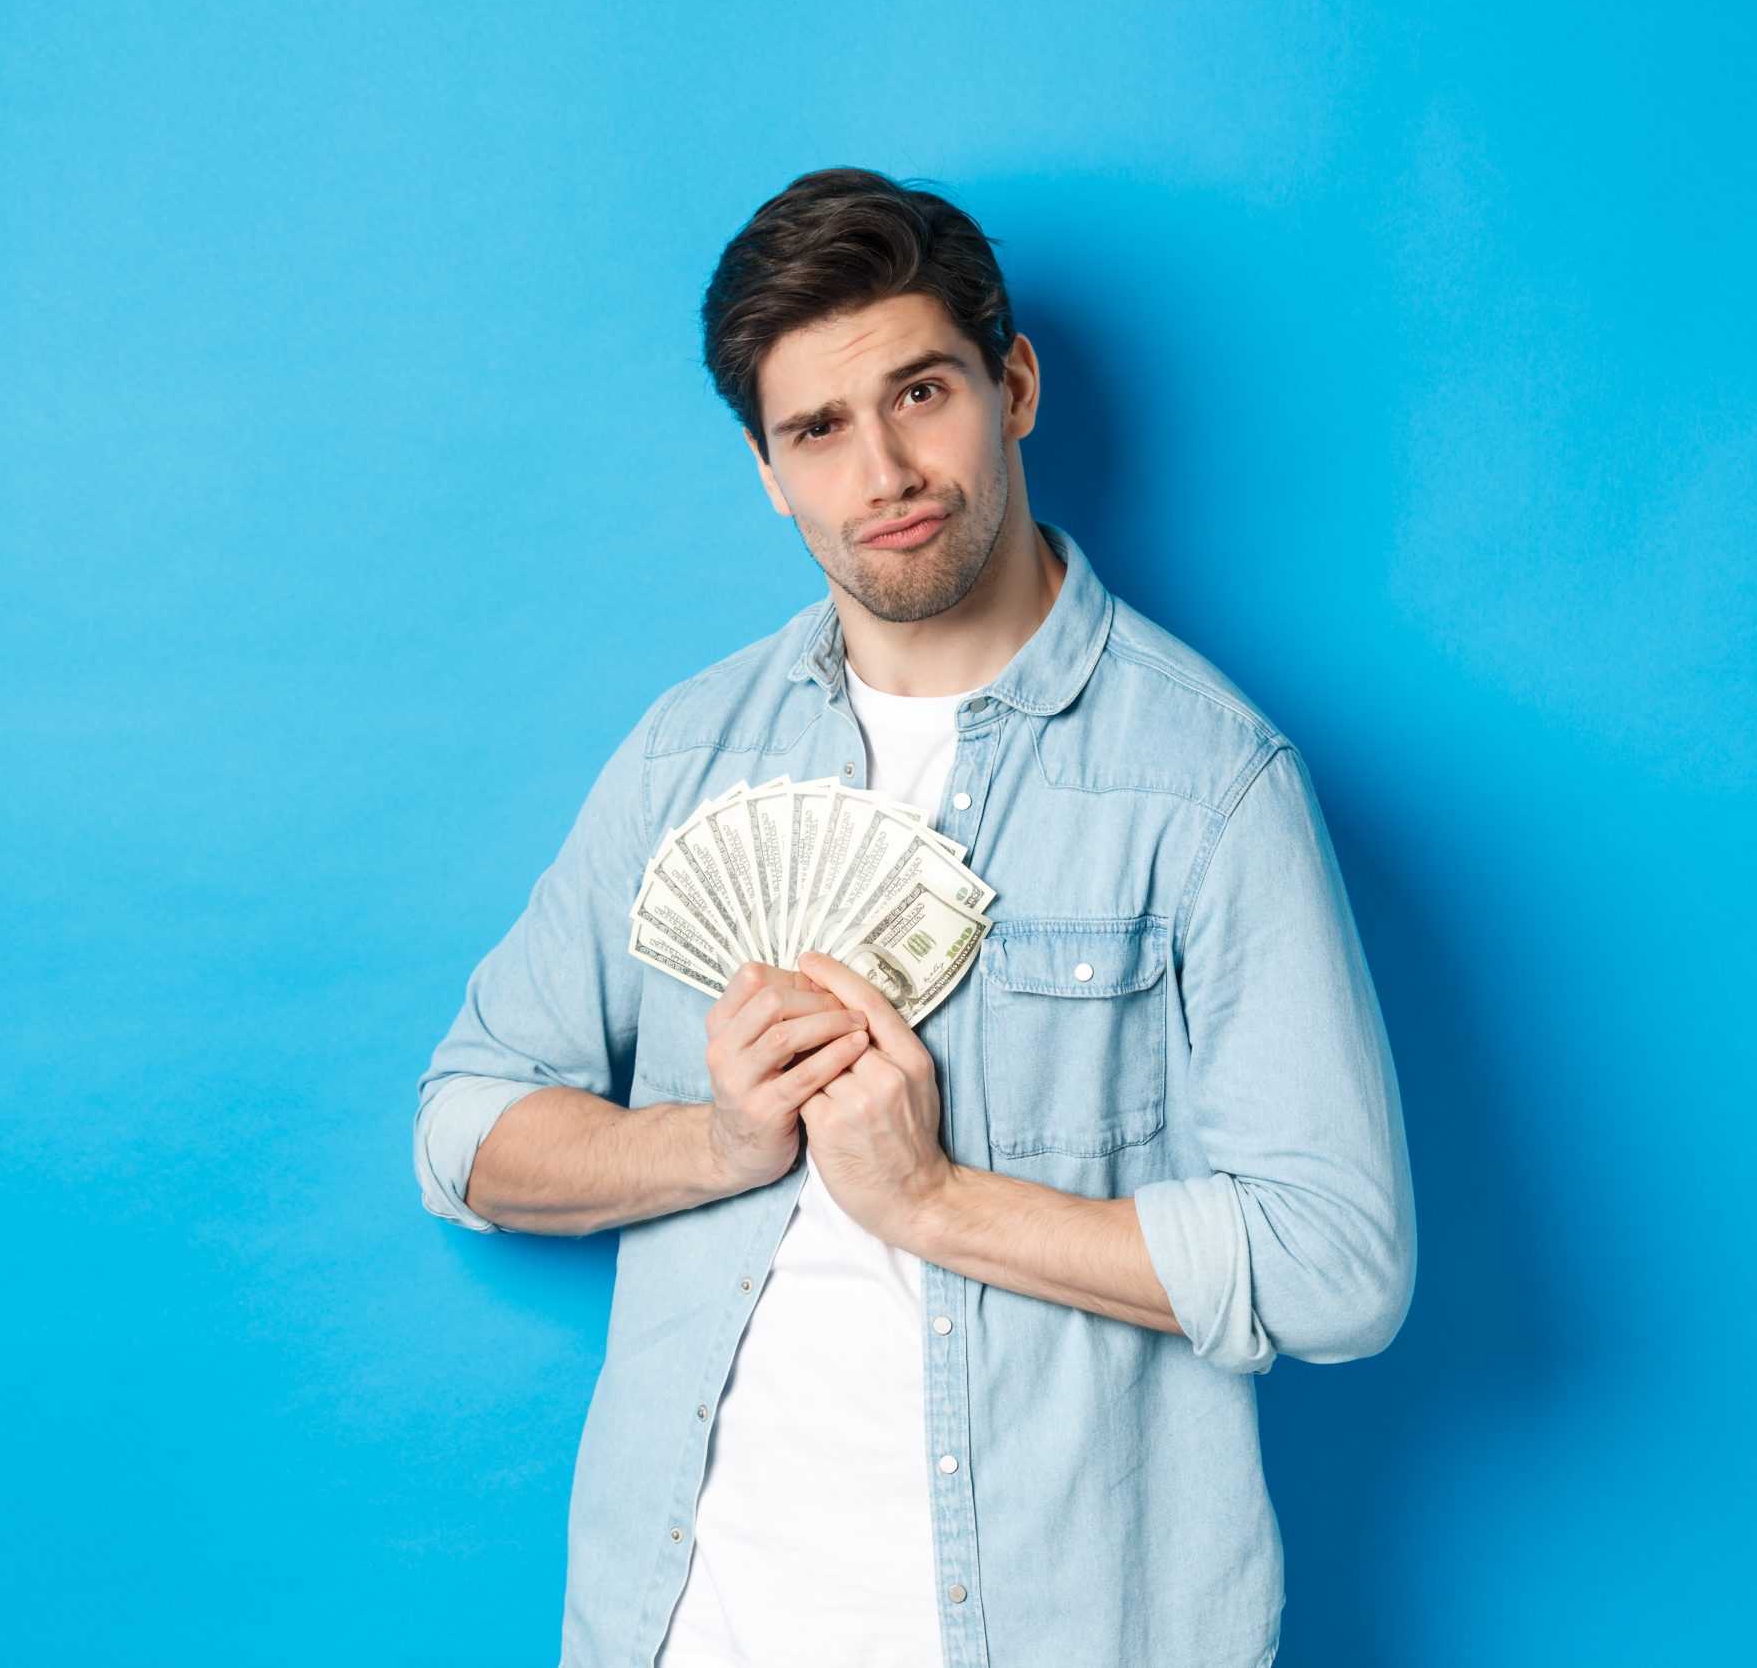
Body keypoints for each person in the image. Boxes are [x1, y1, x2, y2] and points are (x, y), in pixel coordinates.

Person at [415, 166, 1417, 1668]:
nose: (881, 470)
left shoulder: (1206, 783)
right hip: (686, 1625)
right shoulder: (691, 755)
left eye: (921, 391)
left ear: (1012, 386)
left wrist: (934, 1202)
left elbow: (1340, 1265)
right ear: (767, 468)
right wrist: (717, 1141)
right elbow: (460, 1134)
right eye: (816, 429)